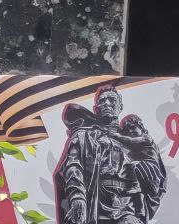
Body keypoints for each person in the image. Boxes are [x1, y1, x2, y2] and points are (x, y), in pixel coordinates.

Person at [54, 86, 167, 224]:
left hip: (128, 205)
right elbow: (73, 166)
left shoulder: (134, 139)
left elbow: (156, 178)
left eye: (112, 100)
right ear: (96, 109)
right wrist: (77, 196)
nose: (107, 103)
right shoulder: (84, 137)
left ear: (120, 106)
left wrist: (148, 173)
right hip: (96, 202)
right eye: (102, 101)